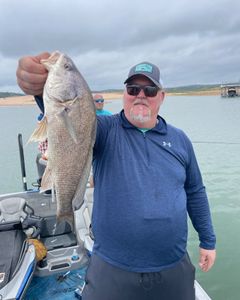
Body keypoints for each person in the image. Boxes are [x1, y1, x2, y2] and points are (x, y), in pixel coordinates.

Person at [16, 54, 216, 300]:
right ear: (124, 94)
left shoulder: (180, 140)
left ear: (161, 97)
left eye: (150, 89)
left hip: (172, 266)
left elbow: (195, 191)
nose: (140, 94)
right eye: (133, 88)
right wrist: (38, 88)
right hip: (112, 268)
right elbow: (70, 121)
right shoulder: (105, 130)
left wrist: (208, 240)